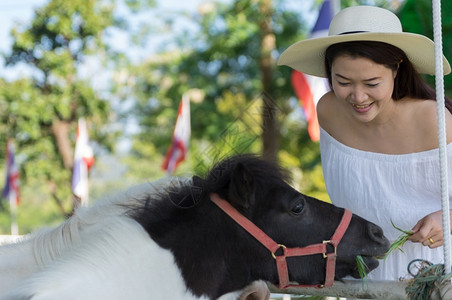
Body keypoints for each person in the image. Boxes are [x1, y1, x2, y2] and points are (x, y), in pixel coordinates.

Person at [278, 5, 452, 282]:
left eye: (372, 83)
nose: (358, 97)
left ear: (397, 69)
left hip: (435, 275)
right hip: (362, 277)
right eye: (343, 81)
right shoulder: (329, 111)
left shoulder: (432, 119)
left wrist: (448, 219)